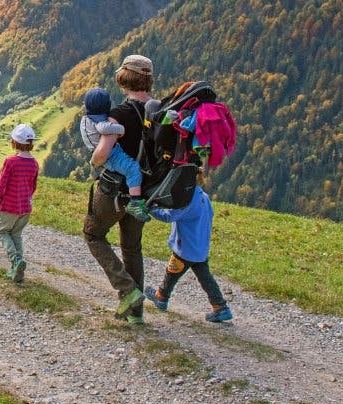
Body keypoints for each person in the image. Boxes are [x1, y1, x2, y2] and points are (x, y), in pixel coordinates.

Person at [82, 54, 156, 323]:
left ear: (124, 78)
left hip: (114, 191)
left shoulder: (120, 114)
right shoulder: (158, 112)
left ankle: (127, 290)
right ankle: (136, 314)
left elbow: (103, 153)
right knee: (132, 247)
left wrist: (94, 161)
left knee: (94, 234)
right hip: (144, 192)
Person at [145, 180, 233, 322]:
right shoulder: (204, 196)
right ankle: (221, 307)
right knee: (206, 279)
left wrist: (150, 209)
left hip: (185, 247)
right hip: (200, 247)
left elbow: (169, 216)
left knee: (172, 272)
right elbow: (210, 215)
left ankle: (161, 297)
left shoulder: (187, 200)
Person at [80, 88, 151, 222]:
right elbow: (104, 128)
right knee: (133, 169)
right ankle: (135, 203)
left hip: (111, 152)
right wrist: (121, 129)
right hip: (110, 155)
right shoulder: (99, 122)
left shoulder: (87, 118)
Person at [0, 123, 41, 283]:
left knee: (3, 232)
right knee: (16, 234)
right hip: (25, 207)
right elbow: (33, 186)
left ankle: (15, 261)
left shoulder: (11, 161)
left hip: (9, 206)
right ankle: (17, 268)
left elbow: (2, 184)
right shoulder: (34, 163)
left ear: (14, 142)